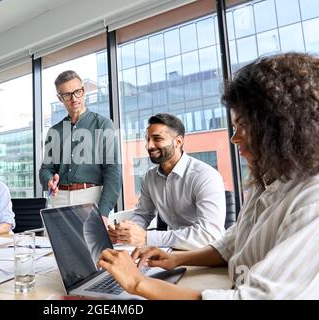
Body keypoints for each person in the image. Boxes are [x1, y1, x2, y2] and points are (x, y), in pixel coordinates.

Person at [98, 53, 319, 299]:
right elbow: (233, 242)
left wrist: (138, 283)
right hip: (215, 273)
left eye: (242, 127)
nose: (235, 138)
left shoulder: (312, 201)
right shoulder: (266, 180)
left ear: (282, 127)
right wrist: (174, 259)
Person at [108, 113, 226, 250]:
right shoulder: (150, 177)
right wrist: (126, 232)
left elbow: (209, 235)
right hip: (173, 250)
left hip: (207, 252)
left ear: (178, 142)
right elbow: (143, 214)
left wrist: (146, 238)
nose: (149, 146)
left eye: (157, 139)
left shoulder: (205, 176)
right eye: (147, 140)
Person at [39, 70, 121, 219]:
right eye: (67, 95)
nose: (74, 98)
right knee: (58, 242)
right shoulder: (54, 131)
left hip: (91, 197)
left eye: (77, 92)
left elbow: (113, 170)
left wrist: (103, 212)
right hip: (60, 198)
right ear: (60, 98)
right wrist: (49, 181)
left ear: (83, 91)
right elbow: (46, 169)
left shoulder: (103, 124)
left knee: (92, 242)